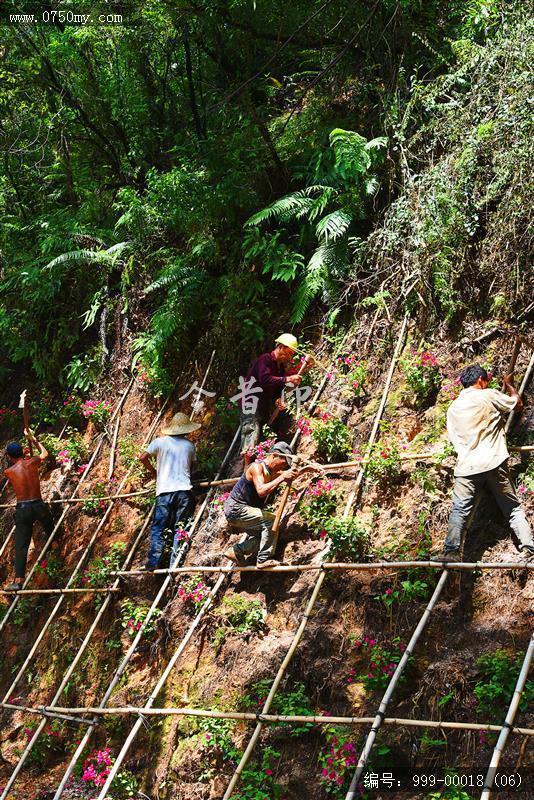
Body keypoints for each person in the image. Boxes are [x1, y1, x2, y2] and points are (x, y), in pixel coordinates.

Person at [433, 364, 533, 562]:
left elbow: (454, 439)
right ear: (480, 380)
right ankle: (529, 547)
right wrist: (509, 385)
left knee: (459, 510)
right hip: (493, 461)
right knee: (511, 507)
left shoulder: (453, 407)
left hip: (467, 466)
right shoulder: (487, 395)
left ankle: (451, 551)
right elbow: (516, 404)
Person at [223, 441, 319, 569]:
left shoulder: (272, 471)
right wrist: (282, 477)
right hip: (236, 508)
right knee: (271, 521)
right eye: (283, 463)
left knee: (265, 536)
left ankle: (236, 551)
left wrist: (306, 470)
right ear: (274, 455)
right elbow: (261, 491)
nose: (283, 468)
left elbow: (289, 476)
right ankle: (263, 559)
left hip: (240, 512)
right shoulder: (256, 468)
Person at [139, 412, 200, 571]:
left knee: (159, 527)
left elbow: (142, 457)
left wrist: (154, 472)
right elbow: (192, 467)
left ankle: (154, 562)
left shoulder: (159, 442)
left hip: (164, 491)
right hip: (184, 491)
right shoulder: (189, 445)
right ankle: (175, 563)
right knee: (180, 527)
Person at [239, 334, 304, 465]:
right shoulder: (265, 360)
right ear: (280, 347)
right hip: (250, 402)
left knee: (258, 435)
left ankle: (253, 466)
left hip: (263, 406)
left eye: (292, 354)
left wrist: (277, 399)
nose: (289, 357)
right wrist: (288, 379)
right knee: (251, 431)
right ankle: (246, 468)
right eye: (289, 353)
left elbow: (276, 387)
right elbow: (265, 379)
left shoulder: (280, 368)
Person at [3, 429, 54, 591]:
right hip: (39, 505)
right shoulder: (32, 462)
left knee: (21, 545)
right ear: (24, 451)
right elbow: (44, 453)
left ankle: (18, 580)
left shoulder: (9, 472)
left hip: (23, 509)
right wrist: (33, 439)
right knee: (50, 527)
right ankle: (56, 545)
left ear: (10, 457)